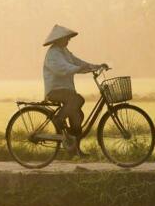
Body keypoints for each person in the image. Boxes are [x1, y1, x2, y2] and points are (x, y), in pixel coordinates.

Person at [42, 24, 107, 154]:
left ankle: (75, 149)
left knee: (77, 115)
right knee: (77, 100)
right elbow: (63, 69)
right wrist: (78, 69)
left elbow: (77, 62)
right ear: (59, 39)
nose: (68, 40)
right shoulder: (53, 54)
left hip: (66, 90)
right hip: (55, 90)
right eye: (66, 38)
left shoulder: (64, 52)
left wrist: (95, 66)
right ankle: (59, 119)